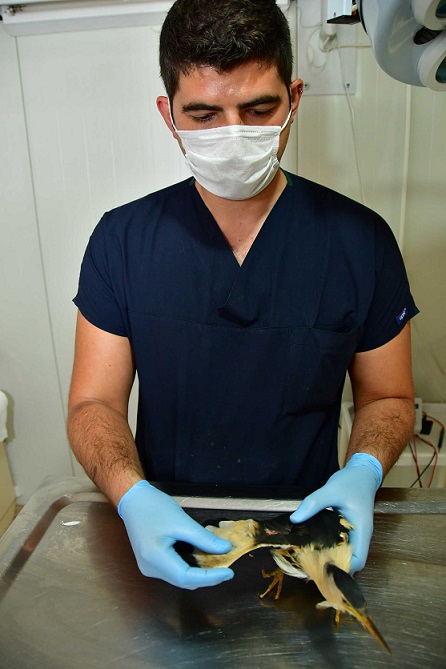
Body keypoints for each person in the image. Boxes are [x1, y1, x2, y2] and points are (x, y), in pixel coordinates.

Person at [67, 0, 418, 590]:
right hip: (170, 526)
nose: (232, 136)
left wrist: (363, 470)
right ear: (168, 114)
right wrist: (131, 496)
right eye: (204, 115)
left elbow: (388, 396)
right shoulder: (122, 242)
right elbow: (92, 405)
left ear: (294, 99)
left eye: (258, 110)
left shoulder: (361, 242)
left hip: (308, 532)